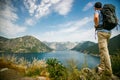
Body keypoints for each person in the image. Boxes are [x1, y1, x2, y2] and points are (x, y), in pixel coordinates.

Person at [94, 2, 112, 76]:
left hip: (101, 33)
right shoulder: (105, 12)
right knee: (102, 51)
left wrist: (96, 25)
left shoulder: (97, 11)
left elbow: (95, 17)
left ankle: (108, 71)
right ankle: (102, 68)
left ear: (95, 7)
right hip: (108, 33)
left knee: (104, 52)